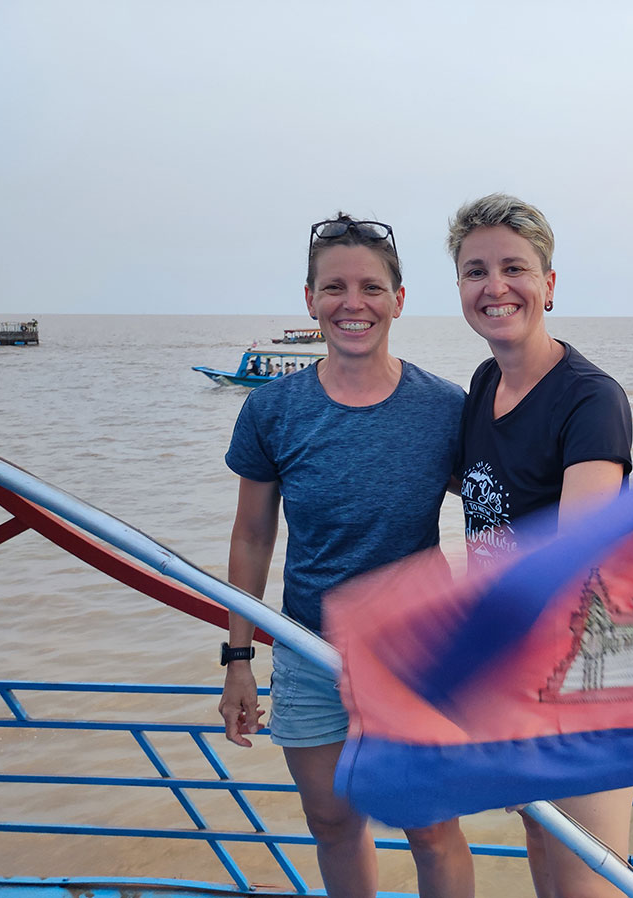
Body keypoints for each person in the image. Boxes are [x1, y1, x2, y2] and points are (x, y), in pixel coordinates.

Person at [218, 214, 474, 898]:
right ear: (309, 298)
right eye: (334, 287)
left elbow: (496, 514)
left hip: (417, 652)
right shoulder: (273, 412)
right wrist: (238, 660)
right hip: (307, 652)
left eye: (370, 286)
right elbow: (251, 535)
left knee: (431, 828)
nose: (352, 303)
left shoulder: (447, 410)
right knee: (332, 821)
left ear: (398, 298)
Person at [446, 194, 633, 898]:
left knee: (589, 882)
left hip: (581, 678)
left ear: (549, 284)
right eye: (475, 271)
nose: (495, 288)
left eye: (514, 268)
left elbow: (577, 559)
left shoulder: (590, 400)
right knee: (541, 854)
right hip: (511, 673)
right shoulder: (484, 383)